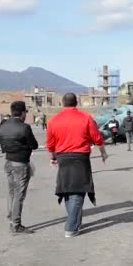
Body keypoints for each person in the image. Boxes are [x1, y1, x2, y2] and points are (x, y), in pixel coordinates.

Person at [46, 93, 108, 238]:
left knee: (68, 190)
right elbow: (97, 138)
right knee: (78, 191)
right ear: (77, 103)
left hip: (63, 158)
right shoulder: (85, 118)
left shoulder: (53, 121)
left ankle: (76, 222)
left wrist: (53, 157)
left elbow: (50, 144)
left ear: (62, 103)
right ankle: (71, 227)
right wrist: (103, 153)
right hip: (80, 158)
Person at [0, 101, 39, 234]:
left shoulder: (3, 126)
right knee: (19, 195)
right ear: (22, 113)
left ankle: (11, 217)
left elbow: (2, 145)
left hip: (8, 162)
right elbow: (34, 145)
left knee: (11, 192)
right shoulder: (25, 127)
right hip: (20, 163)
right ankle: (16, 225)